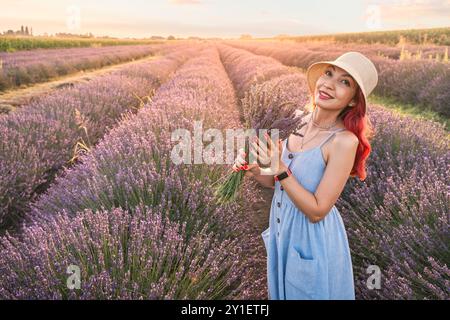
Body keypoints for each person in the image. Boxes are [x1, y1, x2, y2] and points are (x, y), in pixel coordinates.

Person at [232, 51, 379, 300]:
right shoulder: (297, 122)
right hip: (282, 227)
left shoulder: (344, 141)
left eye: (345, 82)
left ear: (353, 101)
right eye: (329, 74)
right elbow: (275, 183)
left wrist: (280, 169)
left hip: (312, 238)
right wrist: (255, 169)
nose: (329, 84)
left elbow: (317, 210)